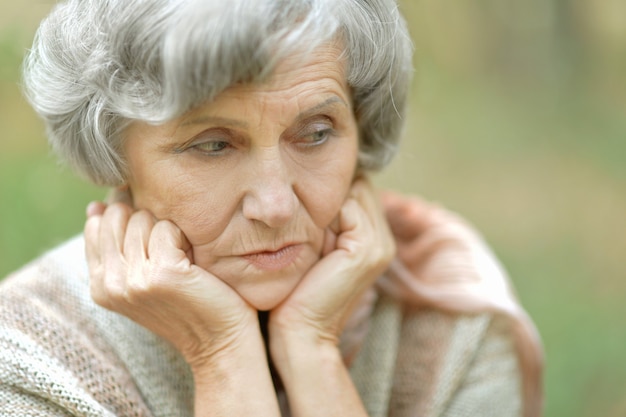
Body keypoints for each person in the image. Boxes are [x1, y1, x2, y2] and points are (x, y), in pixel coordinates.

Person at [0, 0, 543, 416]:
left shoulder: (452, 326)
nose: (276, 205)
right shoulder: (25, 358)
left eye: (314, 134)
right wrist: (219, 353)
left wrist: (313, 350)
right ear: (116, 159)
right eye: (213, 145)